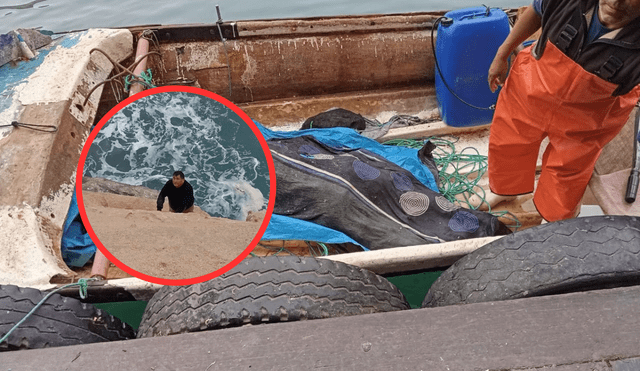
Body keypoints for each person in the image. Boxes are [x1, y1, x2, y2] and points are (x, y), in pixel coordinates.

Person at [474, 0, 640, 222]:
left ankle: (553, 220)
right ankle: (504, 190)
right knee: (509, 142)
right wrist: (502, 53)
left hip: (587, 119)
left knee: (568, 171)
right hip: (532, 91)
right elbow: (537, 9)